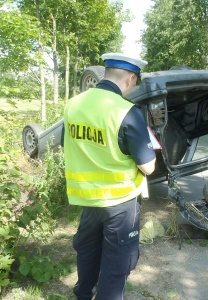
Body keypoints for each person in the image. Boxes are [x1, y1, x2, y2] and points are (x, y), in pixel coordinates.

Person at [62, 53, 156, 300]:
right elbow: (148, 167)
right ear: (130, 78)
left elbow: (69, 144)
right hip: (121, 202)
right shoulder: (126, 111)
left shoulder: (74, 104)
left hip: (88, 200)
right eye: (134, 83)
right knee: (116, 267)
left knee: (88, 254)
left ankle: (83, 294)